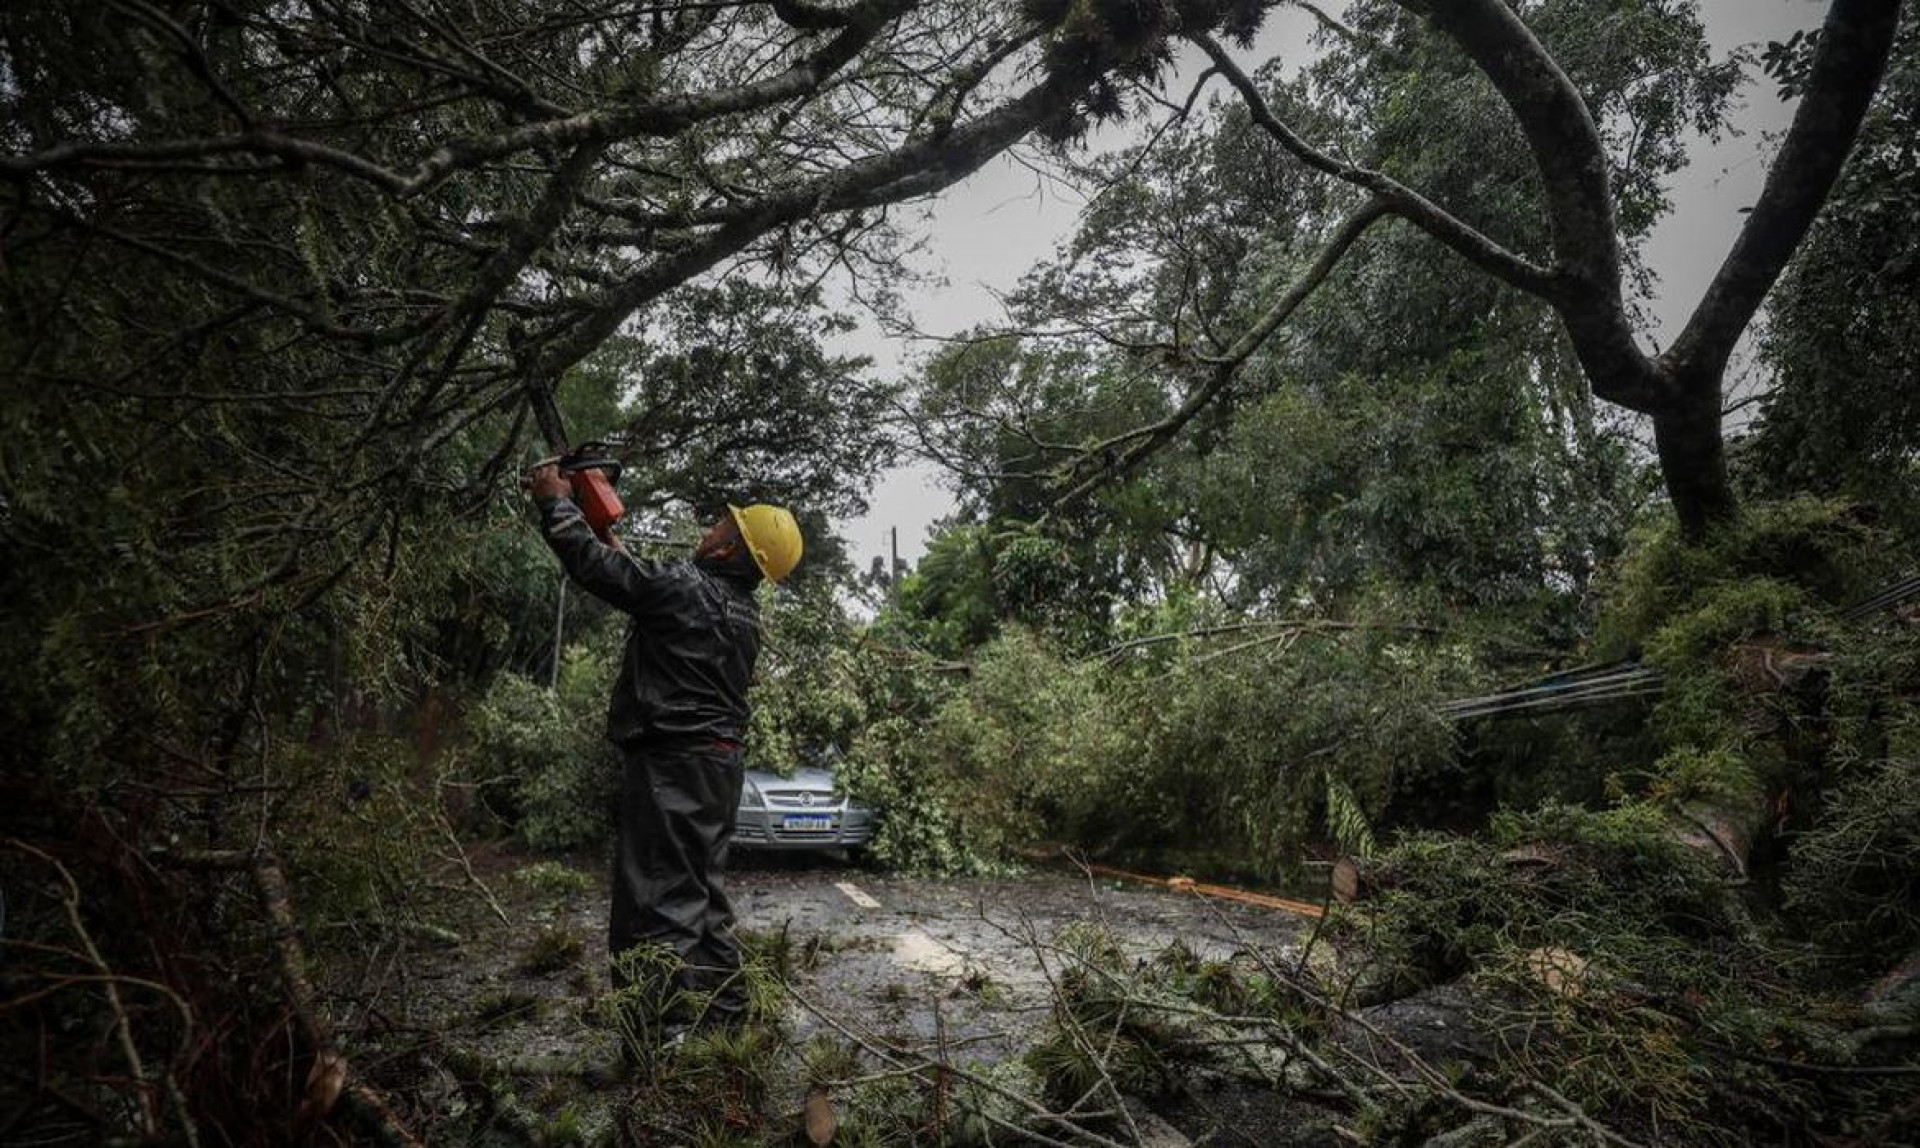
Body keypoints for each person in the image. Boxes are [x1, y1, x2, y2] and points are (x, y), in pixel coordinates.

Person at [528, 464, 802, 1041]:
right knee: (700, 896)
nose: (709, 530)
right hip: (716, 768)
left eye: (721, 526)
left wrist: (556, 503)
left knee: (654, 908)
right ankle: (727, 1028)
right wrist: (599, 516)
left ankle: (658, 1047)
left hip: (671, 767)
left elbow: (603, 572)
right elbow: (638, 582)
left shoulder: (684, 589)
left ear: (731, 549)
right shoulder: (743, 614)